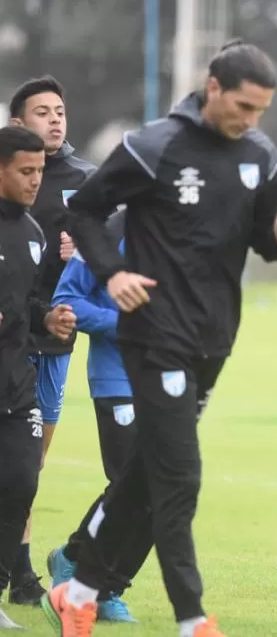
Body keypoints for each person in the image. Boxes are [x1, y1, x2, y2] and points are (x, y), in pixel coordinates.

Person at [41, 40, 277, 637]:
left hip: (213, 338)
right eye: (242, 106)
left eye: (261, 110)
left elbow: (265, 241)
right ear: (212, 88)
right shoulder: (153, 146)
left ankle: (77, 590)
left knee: (145, 470)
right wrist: (114, 272)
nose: (251, 121)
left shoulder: (261, 155)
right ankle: (191, 617)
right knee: (180, 477)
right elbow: (84, 211)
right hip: (153, 335)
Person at [5, 75, 96, 607]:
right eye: (43, 111)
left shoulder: (86, 179)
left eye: (60, 110)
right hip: (11, 338)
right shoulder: (5, 177)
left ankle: (20, 568)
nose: (55, 119)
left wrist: (84, 249)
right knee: (13, 464)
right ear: (18, 124)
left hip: (55, 340)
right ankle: (19, 575)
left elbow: (112, 248)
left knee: (29, 466)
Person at [48, 208, 148, 624]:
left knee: (165, 488)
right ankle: (78, 563)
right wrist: (126, 323)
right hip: (117, 378)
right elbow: (66, 301)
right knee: (132, 482)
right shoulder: (110, 230)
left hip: (171, 380)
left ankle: (107, 585)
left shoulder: (190, 232)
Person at [0, 125, 76, 629]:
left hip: (15, 383)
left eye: (40, 172)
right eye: (25, 171)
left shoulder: (31, 233)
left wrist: (46, 316)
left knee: (22, 482)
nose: (34, 181)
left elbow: (24, 302)